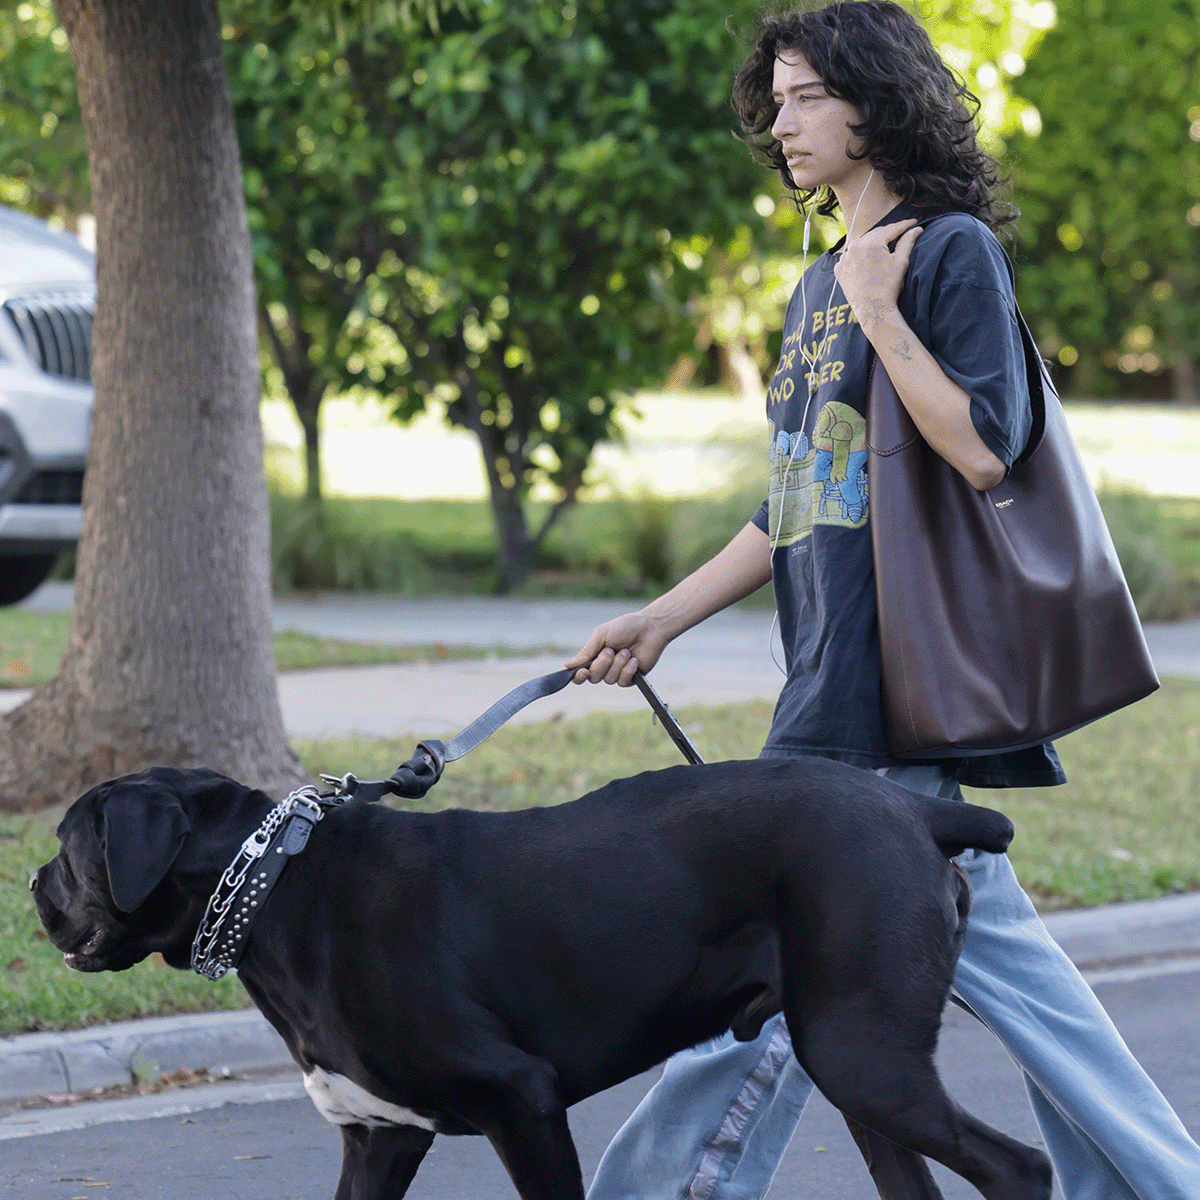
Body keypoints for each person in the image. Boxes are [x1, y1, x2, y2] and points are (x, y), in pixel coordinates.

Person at [564, 3, 1200, 1198]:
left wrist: (876, 309)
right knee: (1012, 978)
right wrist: (662, 617)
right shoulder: (818, 286)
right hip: (829, 682)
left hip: (889, 696)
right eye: (779, 98)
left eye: (809, 97)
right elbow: (795, 502)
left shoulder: (943, 252)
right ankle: (1157, 1182)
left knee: (777, 978)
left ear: (878, 102)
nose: (783, 121)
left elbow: (984, 450)